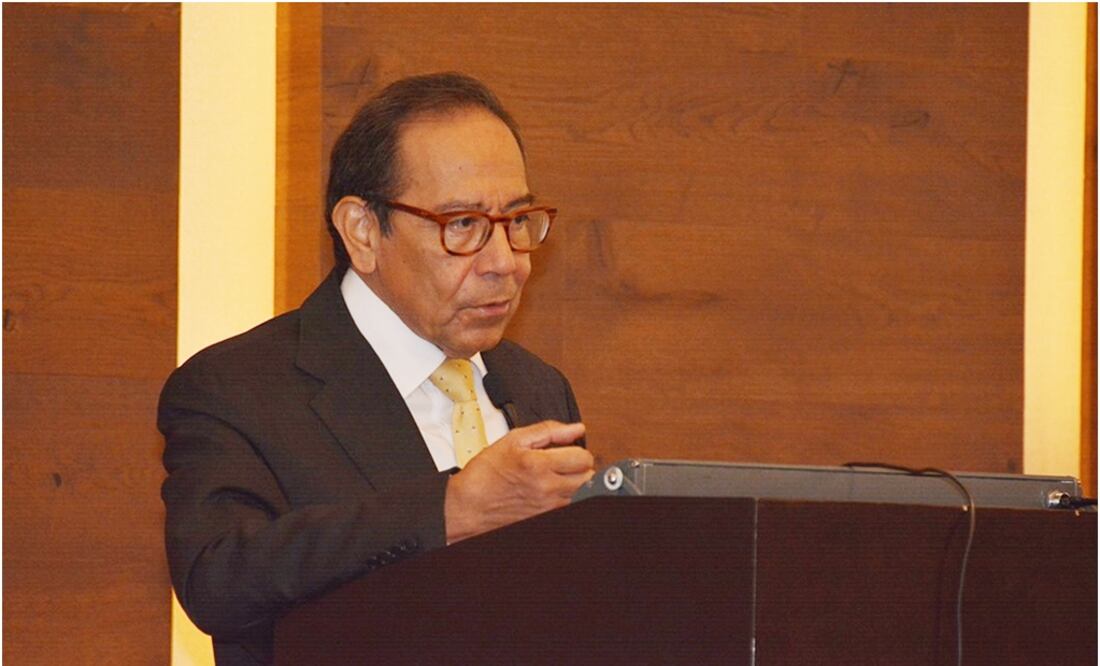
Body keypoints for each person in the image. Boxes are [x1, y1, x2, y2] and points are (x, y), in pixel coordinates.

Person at [158, 72, 595, 665]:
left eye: (517, 221)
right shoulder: (238, 388)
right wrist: (450, 510)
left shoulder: (538, 387)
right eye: (463, 225)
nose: (506, 262)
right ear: (362, 232)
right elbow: (220, 580)